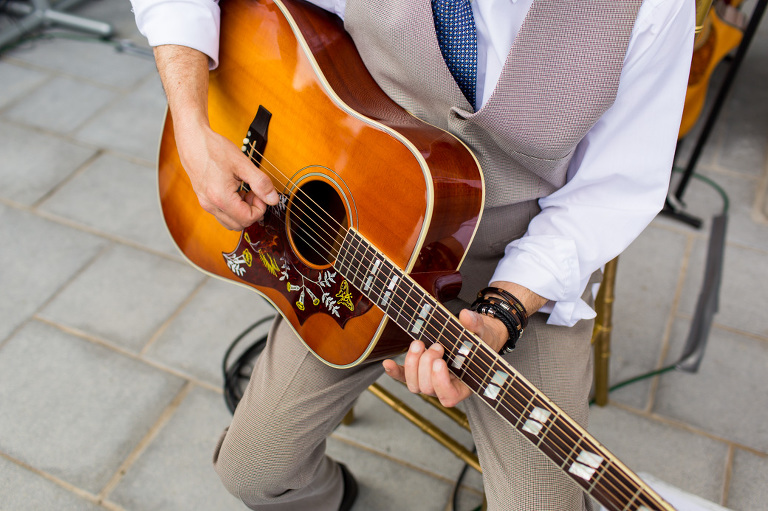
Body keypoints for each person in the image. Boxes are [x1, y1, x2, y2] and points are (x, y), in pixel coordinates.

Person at [130, 0, 694, 509]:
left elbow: (612, 190)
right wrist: (191, 122)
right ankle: (331, 498)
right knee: (251, 473)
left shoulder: (649, 10)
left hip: (521, 258)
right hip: (354, 223)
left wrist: (502, 313)